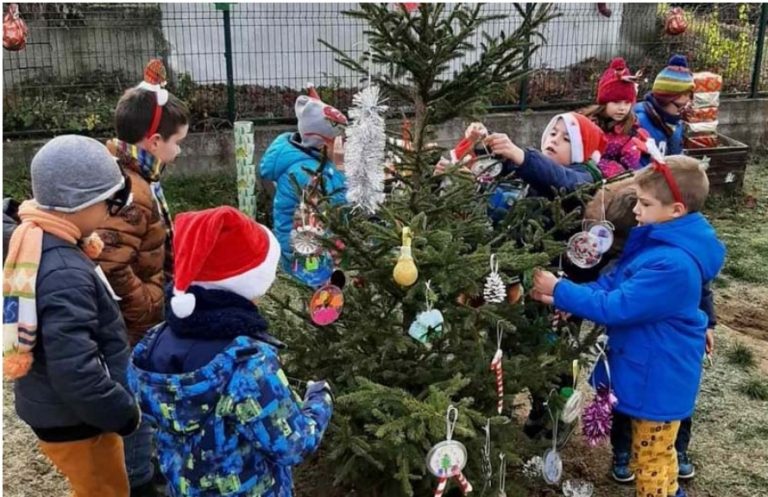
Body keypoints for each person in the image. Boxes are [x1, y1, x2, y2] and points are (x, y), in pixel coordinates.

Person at [532, 155, 726, 497]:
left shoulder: (673, 264)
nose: (636, 209)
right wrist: (562, 299)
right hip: (650, 371)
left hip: (657, 380)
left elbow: (618, 306)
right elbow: (613, 285)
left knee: (650, 460)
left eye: (645, 203)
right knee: (655, 455)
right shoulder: (659, 245)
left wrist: (560, 289)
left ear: (676, 210)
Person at [127, 206, 333, 497]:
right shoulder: (248, 362)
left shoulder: (153, 343)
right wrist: (319, 400)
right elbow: (292, 444)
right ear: (248, 281)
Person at [4, 135, 140, 497]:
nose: (111, 214)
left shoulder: (37, 240)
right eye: (107, 204)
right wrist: (123, 412)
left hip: (55, 408)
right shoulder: (64, 271)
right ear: (78, 205)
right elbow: (76, 372)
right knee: (105, 489)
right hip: (78, 421)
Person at [93, 59, 190, 496]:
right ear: (154, 140)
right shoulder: (131, 190)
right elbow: (112, 265)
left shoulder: (139, 173)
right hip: (132, 324)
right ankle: (141, 480)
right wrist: (151, 302)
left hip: (138, 318)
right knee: (133, 402)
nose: (181, 151)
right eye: (178, 142)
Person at [259, 84, 347, 288]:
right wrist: (342, 170)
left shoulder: (314, 161)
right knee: (317, 295)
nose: (345, 146)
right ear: (322, 144)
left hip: (310, 246)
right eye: (340, 141)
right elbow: (337, 205)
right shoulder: (306, 172)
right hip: (305, 251)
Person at [579, 57, 649, 178]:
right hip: (586, 175)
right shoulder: (587, 124)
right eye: (616, 102)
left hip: (618, 181)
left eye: (627, 103)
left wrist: (633, 152)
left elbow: (631, 168)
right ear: (604, 102)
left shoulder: (631, 130)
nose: (622, 108)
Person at [634, 55, 695, 166]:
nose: (689, 101)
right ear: (667, 98)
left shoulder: (675, 123)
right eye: (686, 94)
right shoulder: (639, 121)